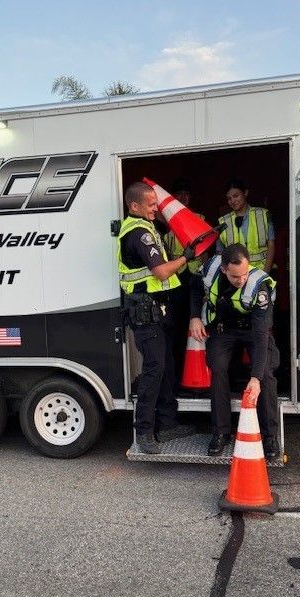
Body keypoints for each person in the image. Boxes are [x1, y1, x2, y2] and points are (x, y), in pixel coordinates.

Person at [118, 182, 199, 453]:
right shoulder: (139, 233)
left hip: (157, 311)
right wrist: (185, 258)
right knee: (153, 372)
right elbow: (161, 272)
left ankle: (167, 423)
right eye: (151, 204)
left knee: (166, 367)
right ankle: (144, 432)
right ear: (135, 206)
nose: (157, 208)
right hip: (146, 314)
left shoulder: (148, 228)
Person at [189, 243, 280, 460]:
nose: (242, 280)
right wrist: (194, 316)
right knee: (218, 368)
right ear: (223, 269)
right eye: (235, 277)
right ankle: (221, 432)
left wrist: (255, 377)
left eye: (245, 274)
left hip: (253, 331)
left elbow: (260, 336)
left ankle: (269, 436)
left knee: (265, 374)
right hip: (224, 328)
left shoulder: (259, 288)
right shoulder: (211, 269)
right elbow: (194, 285)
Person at [162, 178, 207, 381]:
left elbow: (207, 250)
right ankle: (178, 374)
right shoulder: (166, 223)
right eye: (179, 194)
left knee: (199, 324)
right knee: (177, 329)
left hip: (196, 278)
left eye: (186, 194)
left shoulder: (199, 217)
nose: (183, 197)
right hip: (175, 280)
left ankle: (199, 375)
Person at [216, 178, 275, 273]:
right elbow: (219, 253)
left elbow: (271, 246)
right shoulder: (223, 222)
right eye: (229, 198)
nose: (233, 201)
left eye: (236, 196)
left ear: (245, 193)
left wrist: (265, 275)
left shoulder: (263, 215)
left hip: (261, 271)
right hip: (235, 276)